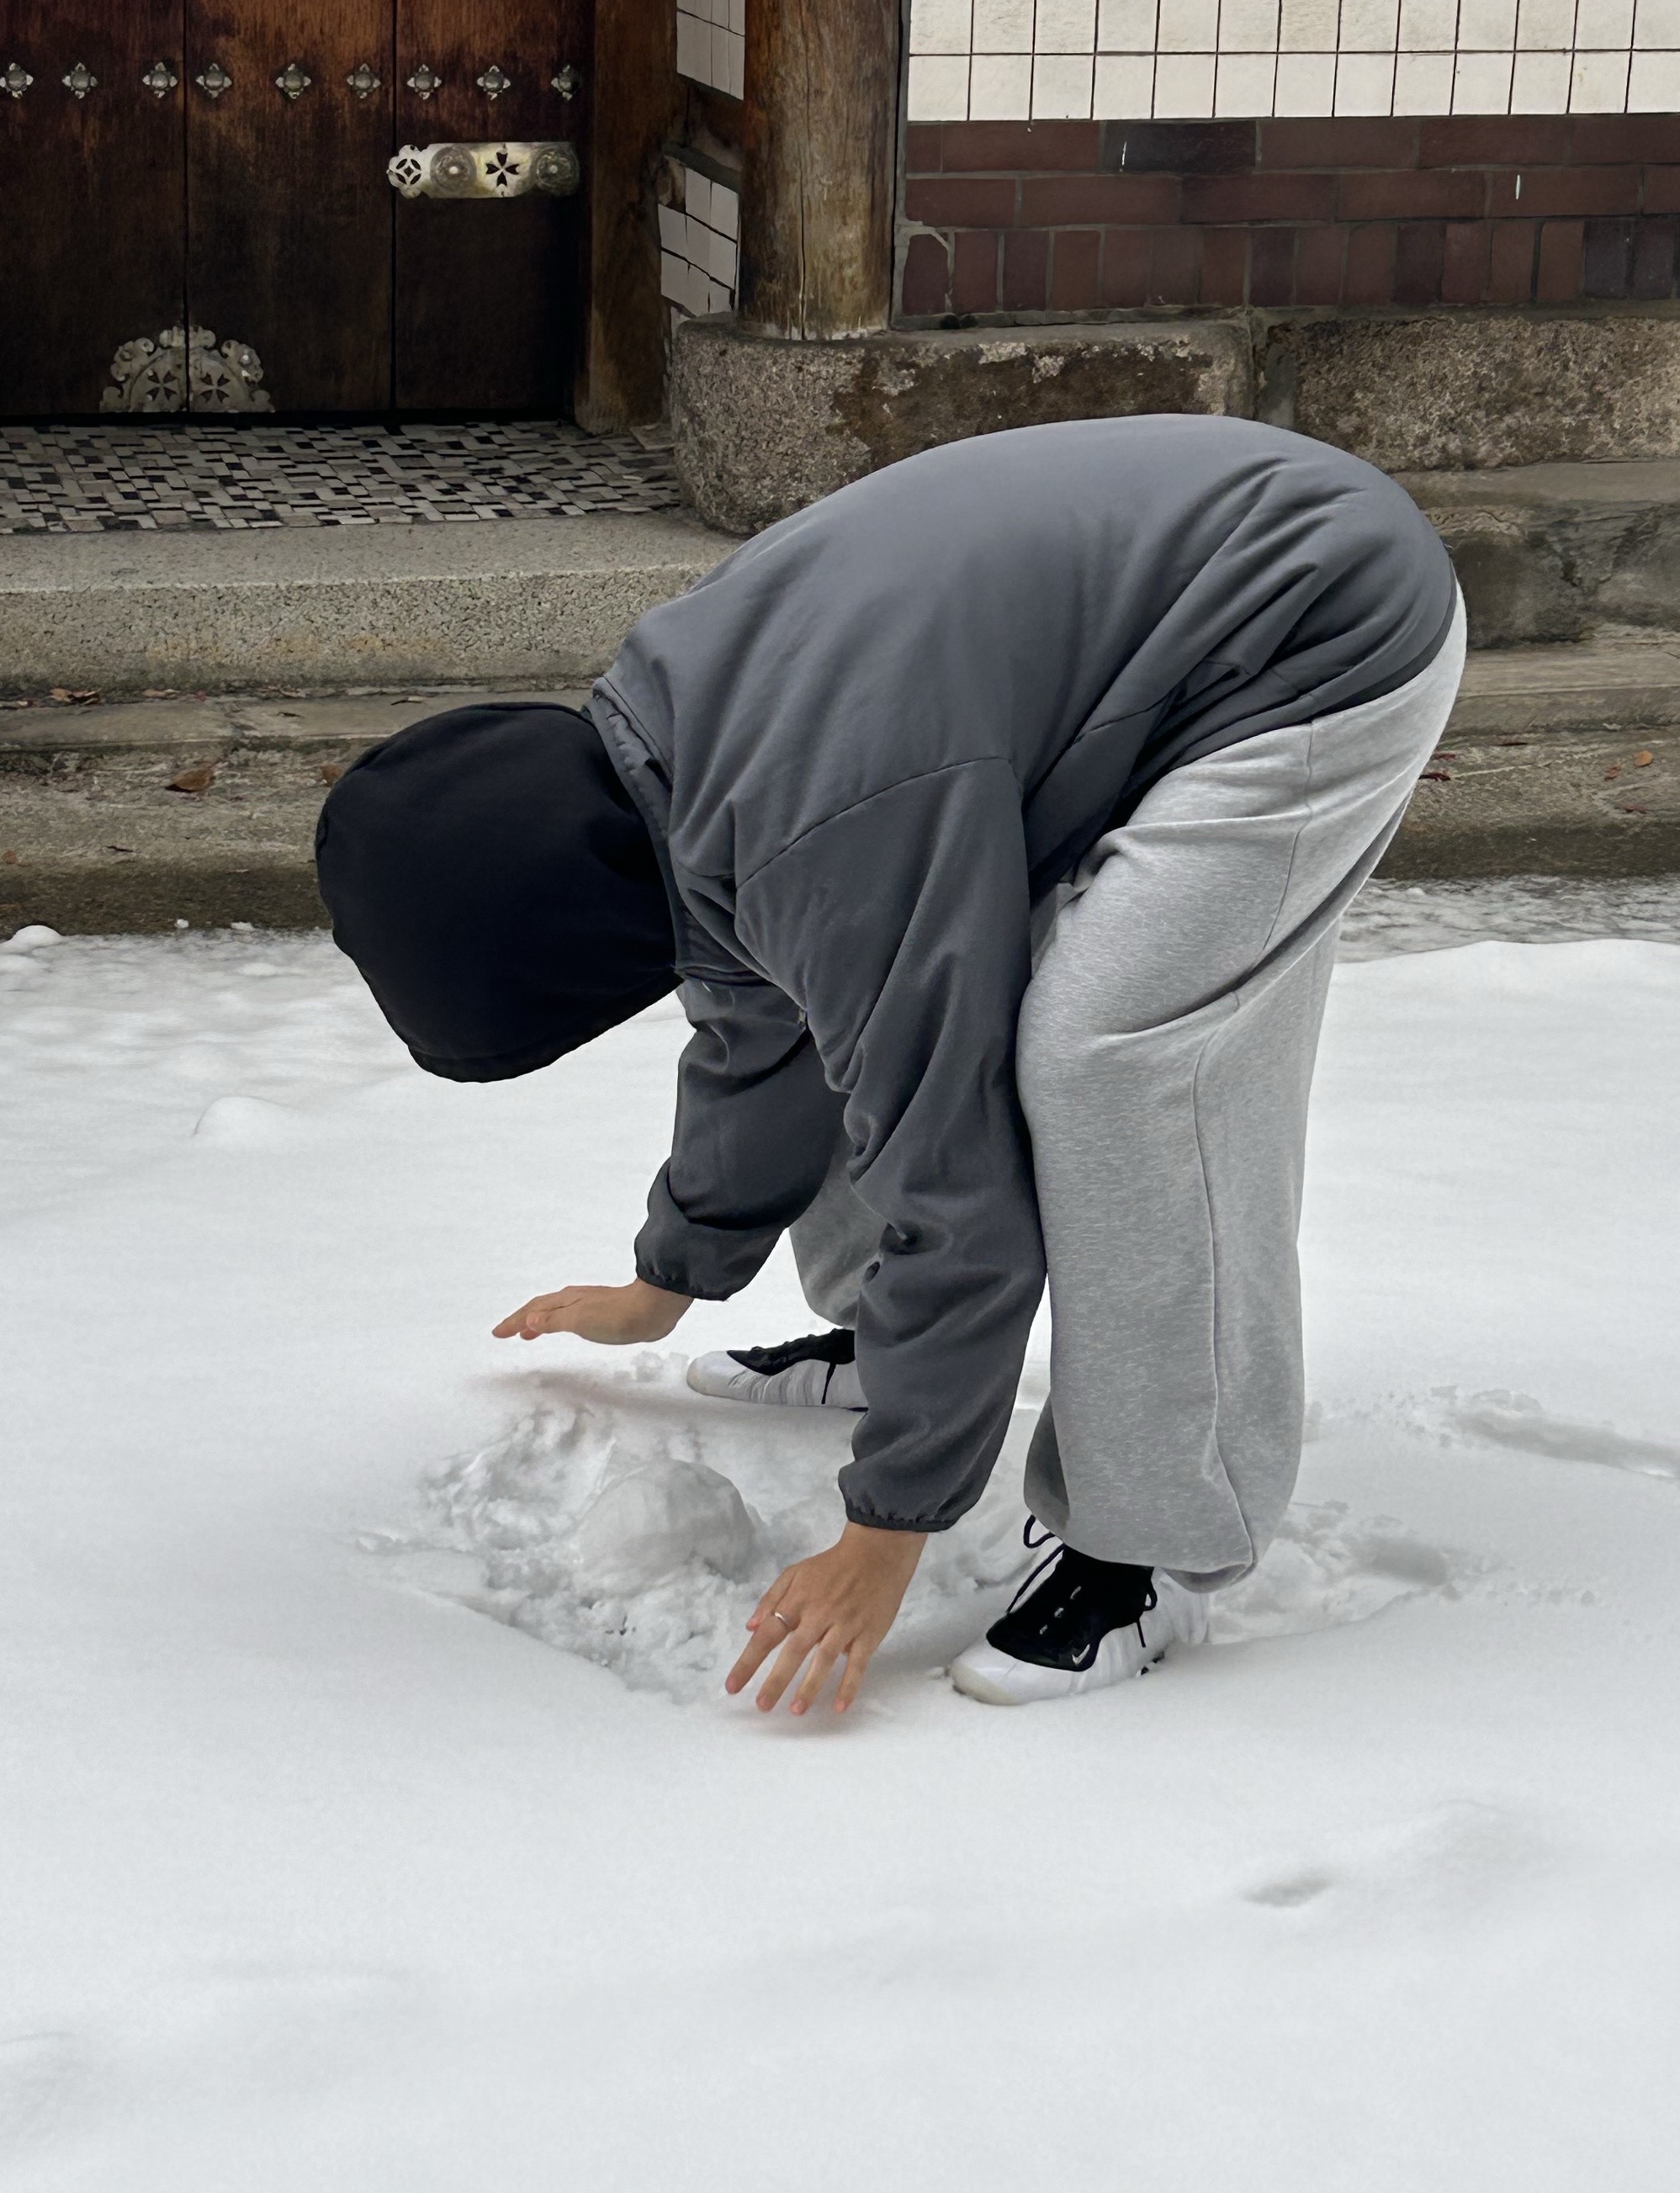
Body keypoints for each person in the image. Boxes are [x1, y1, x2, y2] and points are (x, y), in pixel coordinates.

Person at [315, 415, 1462, 1718]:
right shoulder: (675, 752)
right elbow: (765, 1034)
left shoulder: (820, 823)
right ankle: (889, 1337)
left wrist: (885, 1529)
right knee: (854, 998)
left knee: (1111, 1061)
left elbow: (954, 1178)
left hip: (1320, 628)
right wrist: (667, 1278)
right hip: (1194, 602)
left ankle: (1156, 1540)